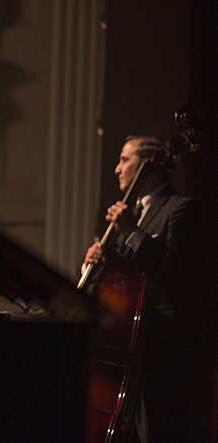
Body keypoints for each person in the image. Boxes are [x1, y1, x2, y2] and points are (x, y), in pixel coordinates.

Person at [82, 135, 213, 441]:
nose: (117, 168)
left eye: (125, 160)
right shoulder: (131, 214)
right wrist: (96, 264)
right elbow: (125, 280)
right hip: (127, 350)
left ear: (149, 167)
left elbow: (176, 273)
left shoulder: (182, 209)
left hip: (161, 351)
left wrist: (133, 231)